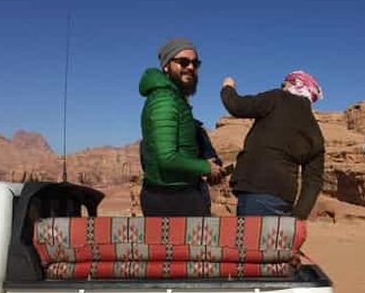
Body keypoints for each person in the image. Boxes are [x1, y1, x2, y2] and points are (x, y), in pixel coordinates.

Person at [220, 70, 325, 218]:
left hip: (256, 191)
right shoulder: (315, 132)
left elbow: (237, 106)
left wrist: (228, 87)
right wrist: (299, 216)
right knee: (271, 241)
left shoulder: (277, 98)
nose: (282, 86)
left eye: (285, 83)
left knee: (249, 240)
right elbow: (314, 181)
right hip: (284, 199)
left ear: (295, 84)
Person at [138, 37, 223, 216]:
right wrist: (205, 168)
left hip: (178, 195)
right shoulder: (164, 100)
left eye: (195, 63)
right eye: (183, 62)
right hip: (172, 200)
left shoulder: (173, 97)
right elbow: (167, 158)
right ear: (166, 66)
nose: (191, 67)